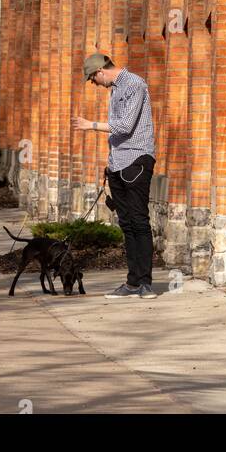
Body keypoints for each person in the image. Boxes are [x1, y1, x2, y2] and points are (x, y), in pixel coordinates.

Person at [73, 52, 156, 298]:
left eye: (92, 79)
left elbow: (125, 125)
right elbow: (117, 133)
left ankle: (146, 284)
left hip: (136, 160)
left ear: (100, 71)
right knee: (126, 223)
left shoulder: (135, 84)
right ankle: (133, 283)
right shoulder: (116, 90)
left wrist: (91, 125)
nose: (93, 84)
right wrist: (109, 166)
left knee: (139, 221)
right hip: (118, 164)